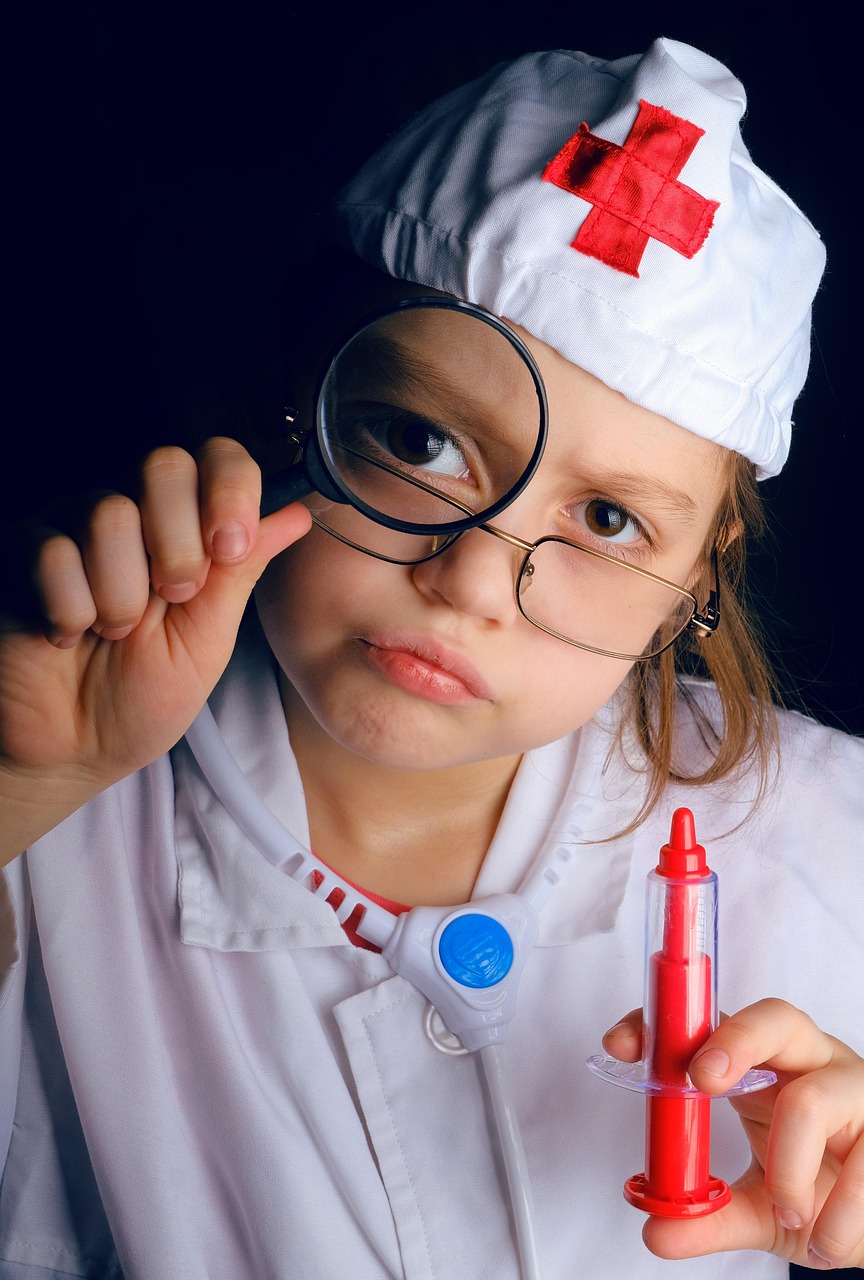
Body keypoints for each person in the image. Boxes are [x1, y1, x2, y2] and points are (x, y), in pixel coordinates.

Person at [1, 34, 862, 1280]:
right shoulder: (49, 832)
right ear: (294, 398)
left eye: (607, 521)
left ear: (705, 570)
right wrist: (26, 783)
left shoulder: (826, 836)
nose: (466, 580)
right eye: (421, 439)